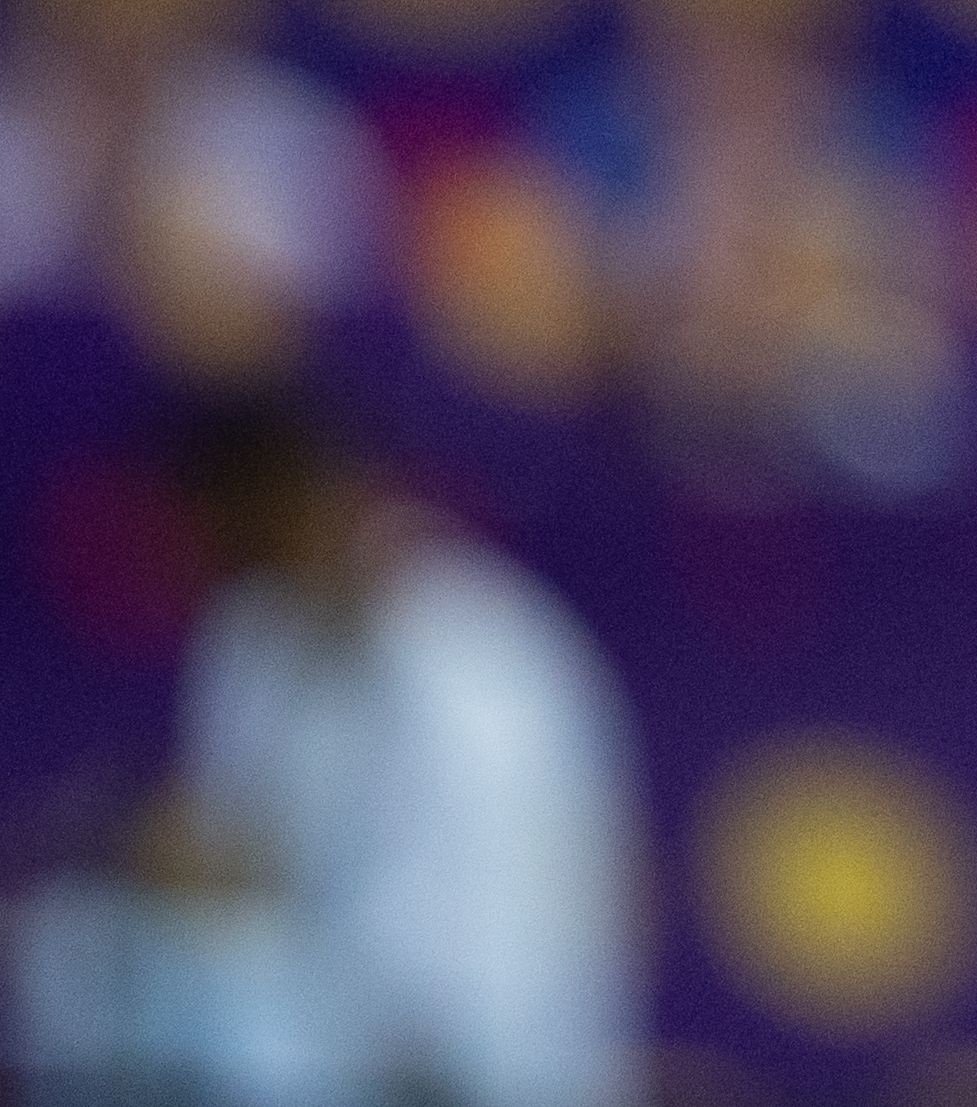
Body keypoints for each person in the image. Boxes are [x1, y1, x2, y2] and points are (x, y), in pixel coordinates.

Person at [104, 391, 646, 1107]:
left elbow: (537, 934)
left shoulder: (488, 657)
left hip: (486, 1065)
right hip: (331, 1042)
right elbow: (241, 865)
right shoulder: (249, 638)